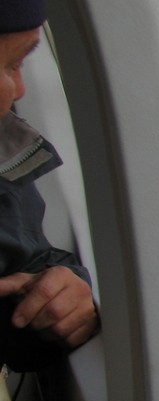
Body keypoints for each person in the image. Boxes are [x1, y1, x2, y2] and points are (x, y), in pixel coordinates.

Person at [0, 1, 100, 372]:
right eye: (12, 64)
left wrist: (60, 297)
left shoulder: (5, 157)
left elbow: (27, 259)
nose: (20, 90)